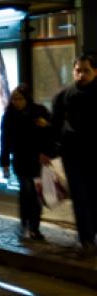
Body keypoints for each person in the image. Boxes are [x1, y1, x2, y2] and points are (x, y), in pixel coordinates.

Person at [51, 53, 97, 256]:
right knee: (79, 196)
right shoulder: (63, 97)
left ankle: (90, 234)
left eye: (86, 70)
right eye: (78, 70)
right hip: (73, 155)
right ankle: (86, 238)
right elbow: (55, 126)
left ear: (95, 71)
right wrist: (52, 150)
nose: (81, 75)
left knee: (94, 196)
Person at [0, 84, 52, 240]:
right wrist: (4, 162)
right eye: (14, 99)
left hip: (37, 160)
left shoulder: (39, 112)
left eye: (20, 99)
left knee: (34, 193)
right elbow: (5, 140)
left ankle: (34, 225)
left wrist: (46, 126)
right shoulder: (9, 115)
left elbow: (51, 133)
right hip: (20, 160)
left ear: (27, 98)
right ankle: (26, 222)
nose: (16, 102)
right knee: (27, 190)